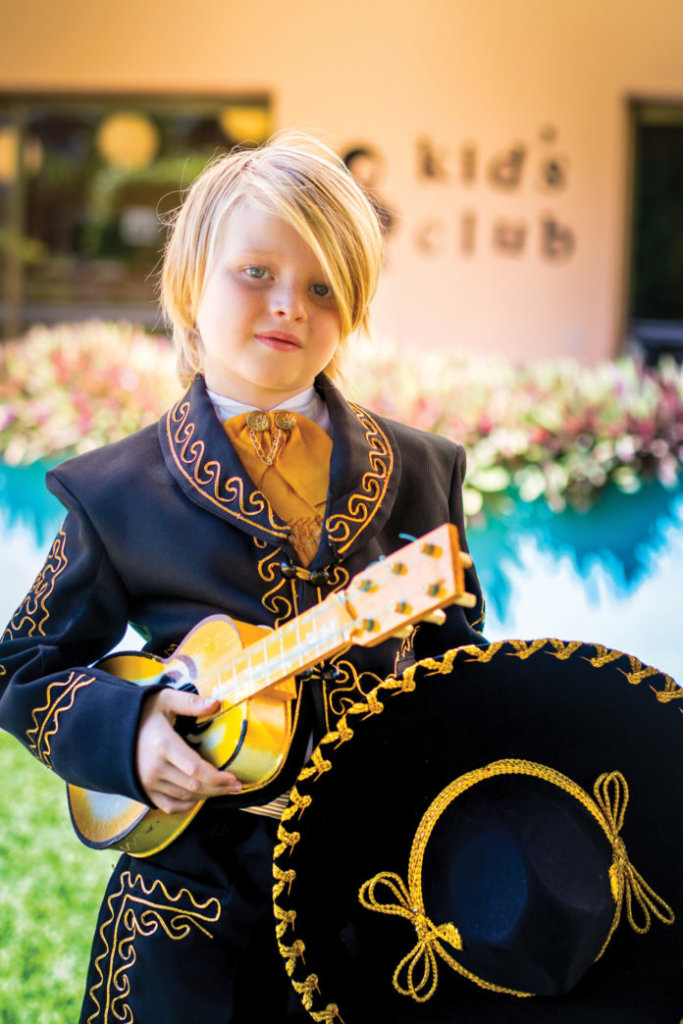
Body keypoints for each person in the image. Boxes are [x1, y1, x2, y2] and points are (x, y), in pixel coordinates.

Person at [0, 132, 485, 1023]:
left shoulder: (422, 471)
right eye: (255, 272)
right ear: (189, 287)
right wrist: (133, 727)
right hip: (187, 910)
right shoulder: (112, 491)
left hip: (377, 900)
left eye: (323, 286)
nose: (289, 306)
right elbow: (21, 663)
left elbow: (462, 663)